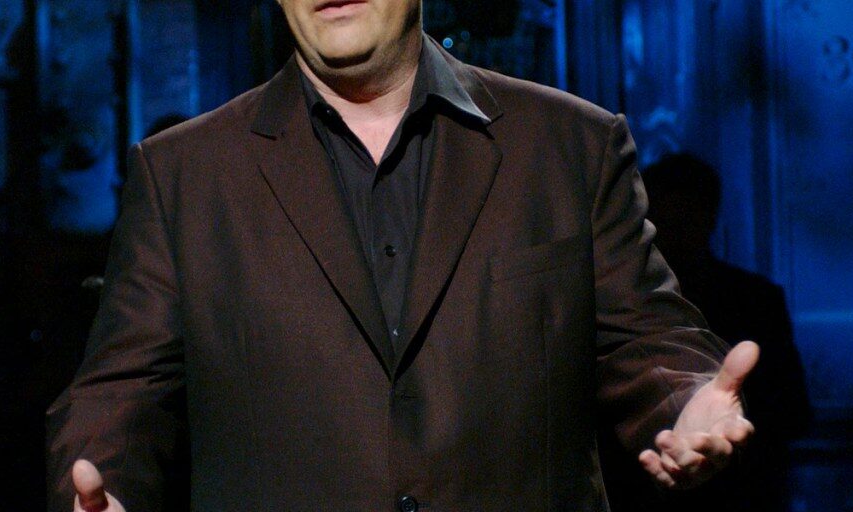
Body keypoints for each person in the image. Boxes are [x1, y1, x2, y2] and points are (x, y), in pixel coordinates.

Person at [47, 2, 760, 510]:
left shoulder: (572, 144)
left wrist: (687, 401)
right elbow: (120, 391)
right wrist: (103, 486)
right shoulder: (184, 174)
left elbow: (647, 337)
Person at [602, 153, 812, 512]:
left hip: (742, 492)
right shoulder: (615, 305)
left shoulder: (756, 299)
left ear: (710, 216)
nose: (676, 229)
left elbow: (790, 408)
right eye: (667, 216)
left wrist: (731, 431)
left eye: (687, 215)